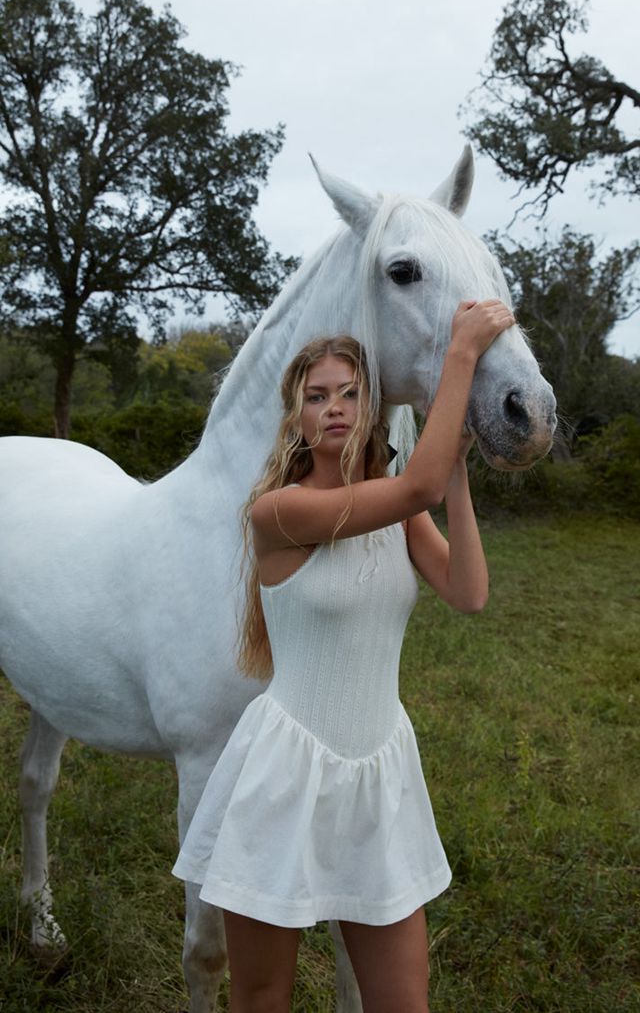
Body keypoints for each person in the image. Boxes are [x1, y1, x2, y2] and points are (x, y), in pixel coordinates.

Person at [172, 298, 515, 1013]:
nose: (334, 407)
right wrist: (460, 353)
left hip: (379, 772)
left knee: (403, 1001)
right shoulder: (278, 511)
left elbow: (469, 590)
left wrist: (456, 477)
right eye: (316, 396)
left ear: (372, 409)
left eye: (351, 392)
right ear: (295, 417)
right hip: (285, 775)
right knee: (263, 995)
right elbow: (412, 482)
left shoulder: (400, 511)